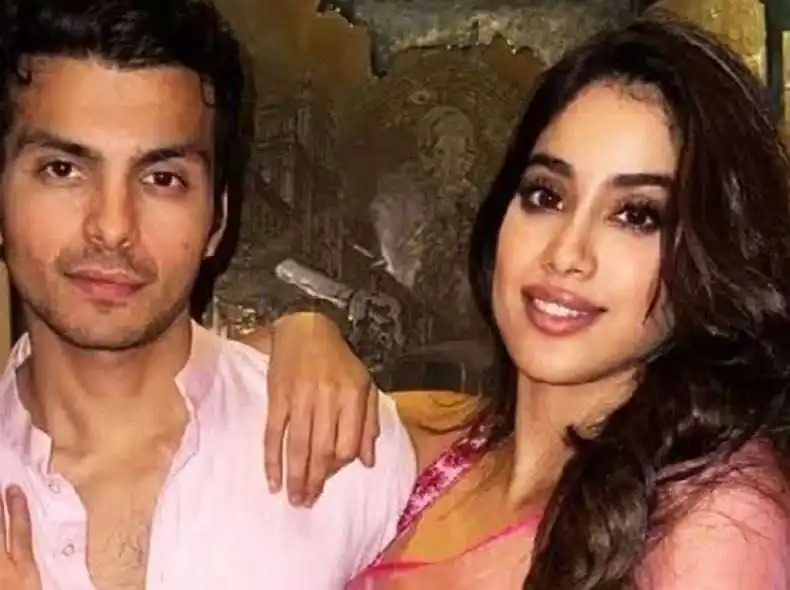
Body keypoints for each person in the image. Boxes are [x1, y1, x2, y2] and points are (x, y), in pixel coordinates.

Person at [262, 12, 790, 589]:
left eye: (637, 215)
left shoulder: (714, 518)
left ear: (712, 253)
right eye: (546, 195)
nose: (567, 253)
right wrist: (300, 333)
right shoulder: (431, 440)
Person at [0, 1, 416, 588]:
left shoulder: (349, 455)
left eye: (162, 179)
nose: (112, 227)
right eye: (63, 169)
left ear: (217, 219)